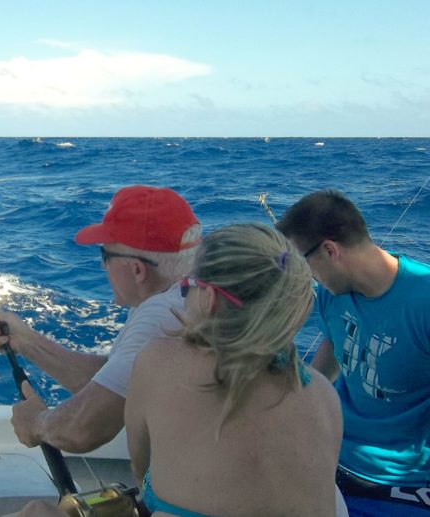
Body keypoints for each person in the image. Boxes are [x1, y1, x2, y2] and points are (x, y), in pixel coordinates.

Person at [125, 223, 343, 516]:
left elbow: (141, 469)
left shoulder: (157, 362)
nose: (184, 296)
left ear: (210, 299)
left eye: (187, 287)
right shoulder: (321, 391)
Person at [0, 185, 201, 453]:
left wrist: (37, 424)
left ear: (137, 270)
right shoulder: (190, 293)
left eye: (105, 256)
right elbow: (111, 385)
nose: (102, 266)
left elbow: (85, 429)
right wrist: (27, 342)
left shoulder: (162, 317)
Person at [276, 190, 430, 516]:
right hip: (330, 454)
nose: (303, 277)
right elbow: (327, 359)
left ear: (330, 250)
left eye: (300, 263)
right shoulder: (333, 295)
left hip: (402, 481)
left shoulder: (423, 302)